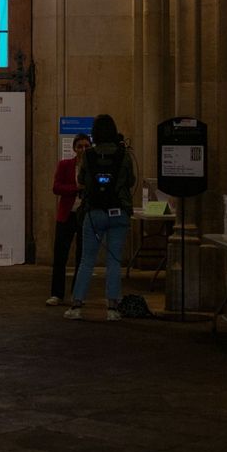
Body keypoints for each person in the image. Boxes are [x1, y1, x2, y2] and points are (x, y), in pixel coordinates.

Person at [65, 114, 135, 321]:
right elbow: (131, 181)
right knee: (114, 260)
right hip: (118, 211)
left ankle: (76, 306)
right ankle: (112, 308)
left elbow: (81, 179)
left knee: (87, 259)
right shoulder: (124, 155)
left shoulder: (89, 155)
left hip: (94, 212)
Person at [47, 133, 89, 305]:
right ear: (74, 148)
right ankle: (57, 294)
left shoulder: (93, 167)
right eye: (80, 146)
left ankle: (77, 294)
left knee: (82, 256)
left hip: (85, 215)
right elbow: (56, 187)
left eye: (87, 146)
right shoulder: (65, 165)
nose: (83, 149)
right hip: (66, 215)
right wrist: (75, 188)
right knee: (60, 256)